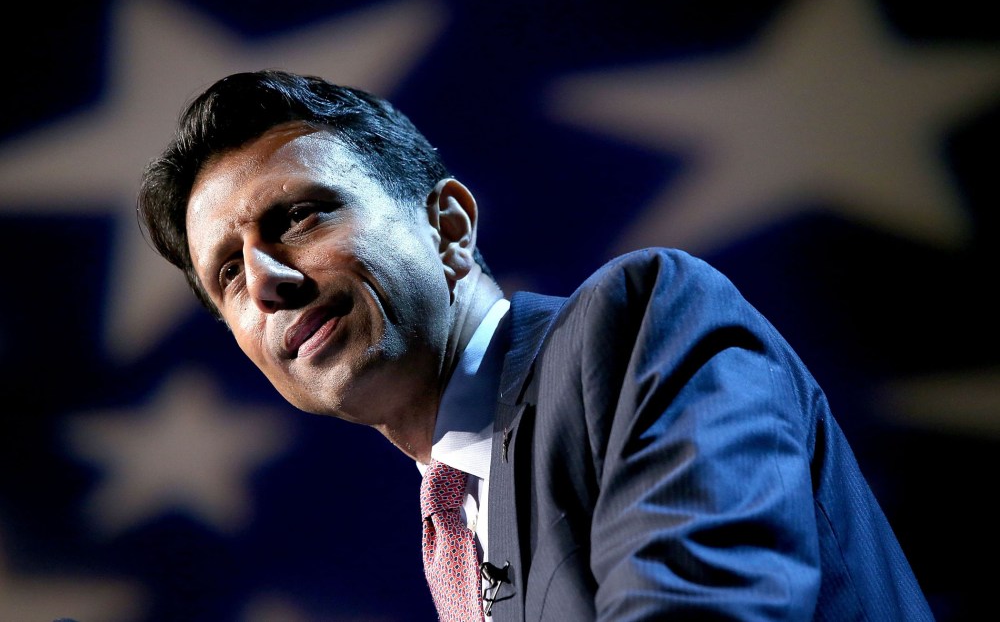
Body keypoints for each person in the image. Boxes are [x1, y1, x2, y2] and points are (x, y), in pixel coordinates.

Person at [137, 69, 933, 621]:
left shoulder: (637, 323)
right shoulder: (454, 515)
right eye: (229, 276)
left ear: (449, 226)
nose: (267, 279)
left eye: (299, 218)